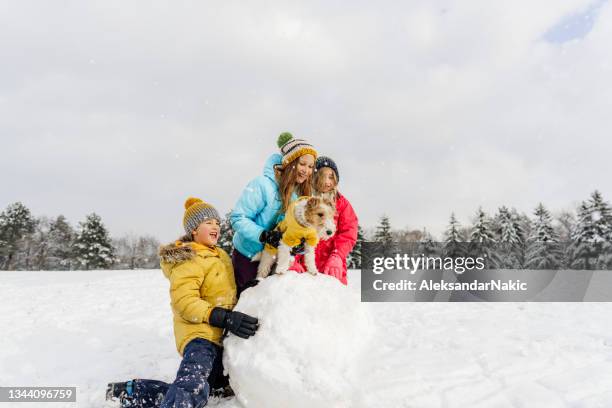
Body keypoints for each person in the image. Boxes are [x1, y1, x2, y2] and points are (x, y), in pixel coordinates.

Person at [106, 198, 258, 408]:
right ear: (194, 230)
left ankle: (130, 392)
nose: (215, 226)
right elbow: (184, 302)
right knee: (192, 387)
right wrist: (224, 317)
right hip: (199, 335)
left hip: (220, 336)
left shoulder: (220, 255)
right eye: (208, 222)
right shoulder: (189, 258)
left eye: (217, 223)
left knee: (205, 389)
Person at [230, 132, 317, 295]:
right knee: (247, 306)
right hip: (247, 257)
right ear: (290, 162)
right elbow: (238, 218)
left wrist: (297, 244)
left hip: (274, 258)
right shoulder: (262, 185)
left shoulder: (297, 196)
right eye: (302, 164)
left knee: (268, 310)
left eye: (311, 167)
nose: (306, 171)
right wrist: (263, 235)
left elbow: (291, 227)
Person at [291, 156, 358, 285]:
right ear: (314, 177)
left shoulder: (341, 203)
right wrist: (292, 259)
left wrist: (337, 256)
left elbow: (348, 233)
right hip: (305, 267)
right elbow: (294, 231)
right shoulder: (303, 201)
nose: (327, 182)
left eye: (331, 177)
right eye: (323, 176)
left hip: (331, 269)